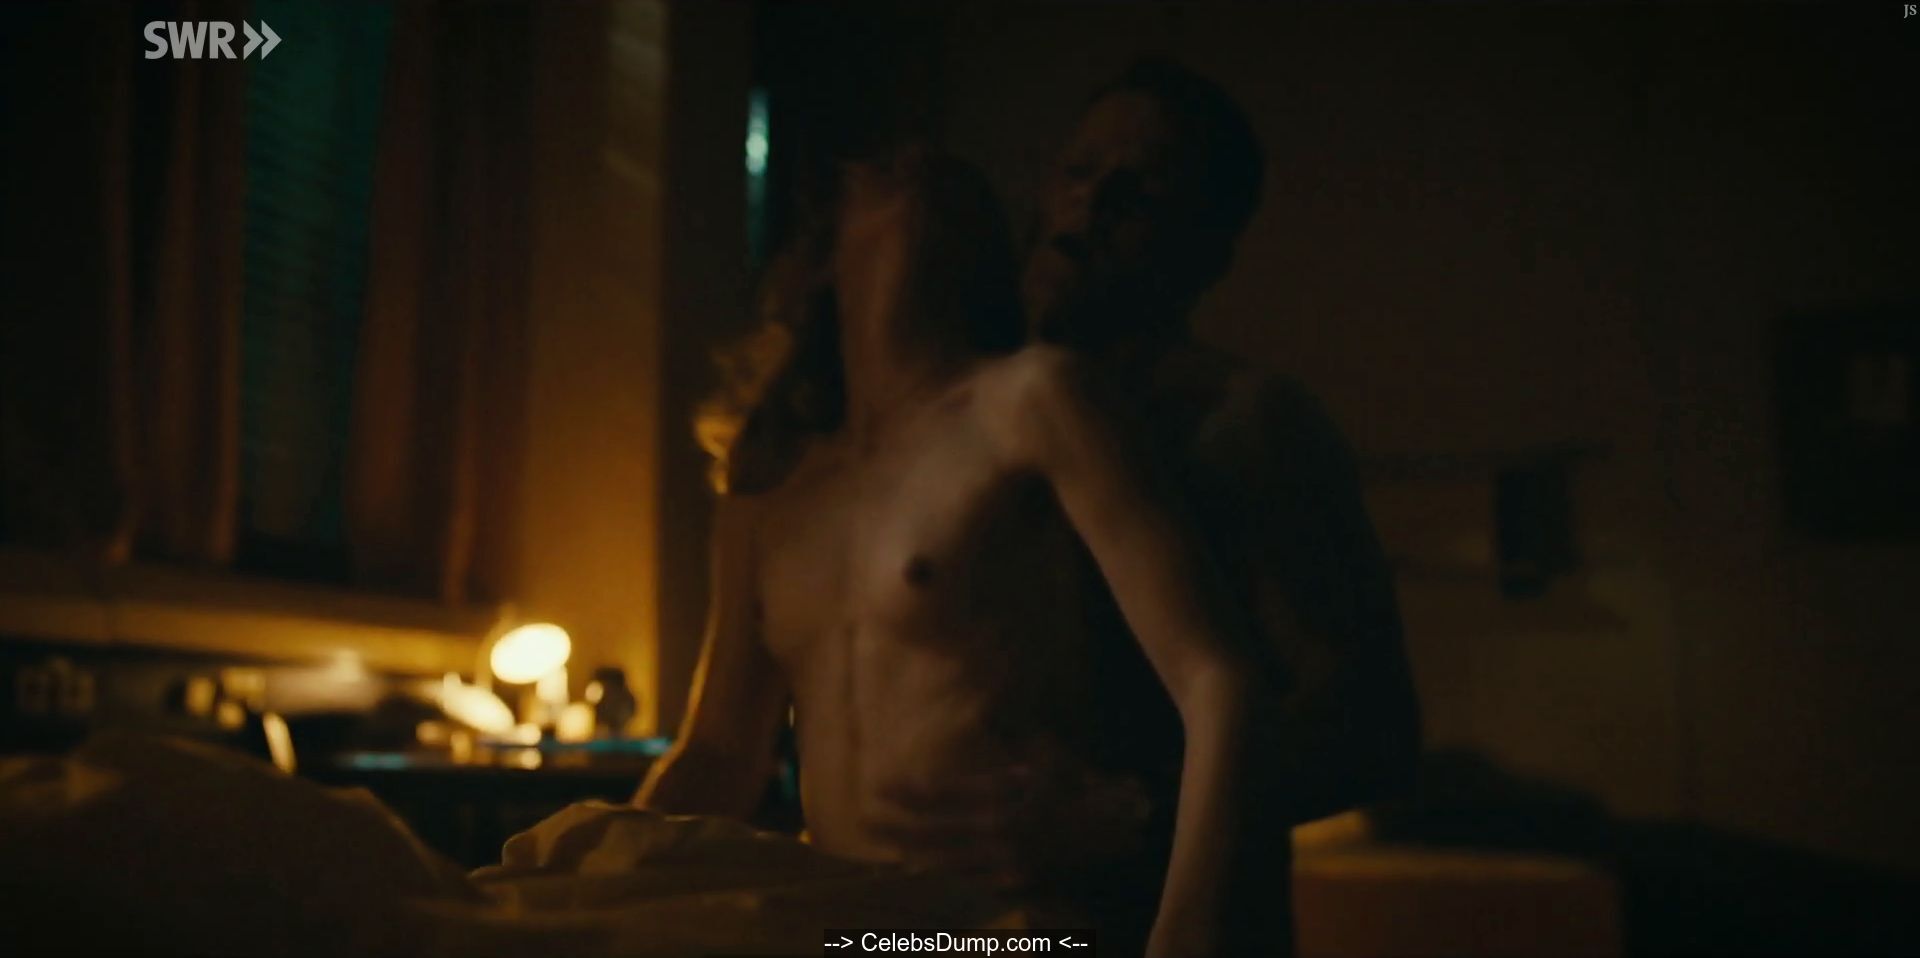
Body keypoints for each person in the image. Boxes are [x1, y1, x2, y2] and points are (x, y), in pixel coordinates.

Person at [636, 146, 1275, 956]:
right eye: (883, 171)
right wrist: (585, 885)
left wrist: (1184, 927)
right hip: (845, 930)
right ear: (823, 251)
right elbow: (721, 753)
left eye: (945, 178)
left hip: (1009, 930)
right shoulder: (769, 483)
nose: (916, 173)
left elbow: (1217, 674)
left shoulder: (1030, 402)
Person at [865, 60, 1423, 953]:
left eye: (1140, 194)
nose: (1090, 206)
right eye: (1078, 172)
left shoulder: (1241, 424)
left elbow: (1374, 729)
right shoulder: (966, 420)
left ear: (1207, 251)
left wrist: (1133, 809)